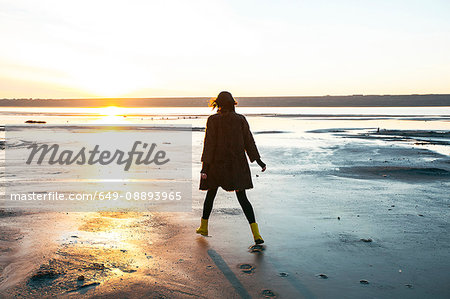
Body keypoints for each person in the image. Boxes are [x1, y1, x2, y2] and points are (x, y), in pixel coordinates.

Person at [196, 91, 266, 244]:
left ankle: (203, 227)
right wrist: (258, 161)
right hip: (237, 166)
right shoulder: (240, 120)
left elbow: (209, 145)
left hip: (216, 165)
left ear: (218, 105)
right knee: (243, 199)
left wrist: (204, 168)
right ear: (232, 104)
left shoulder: (213, 120)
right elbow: (249, 142)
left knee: (211, 194)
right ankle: (256, 234)